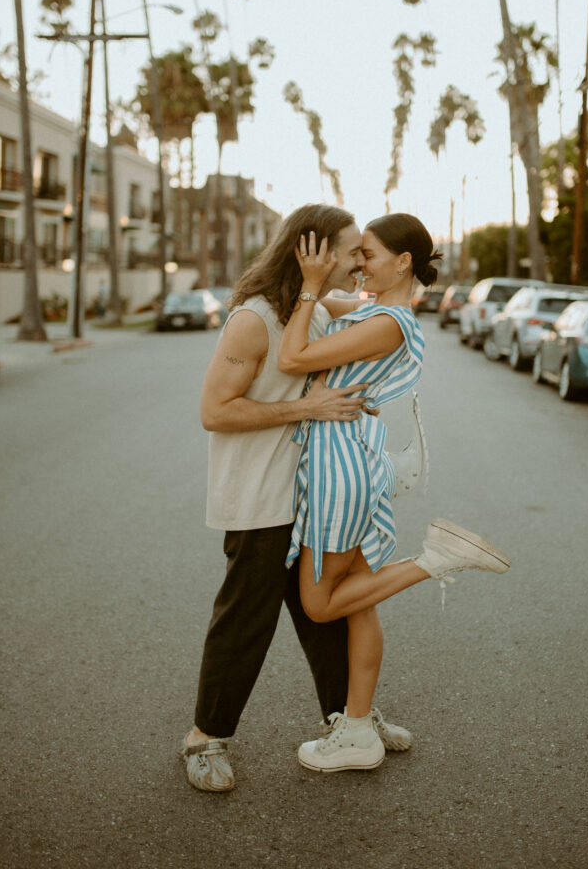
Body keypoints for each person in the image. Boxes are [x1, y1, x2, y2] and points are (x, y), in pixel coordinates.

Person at [182, 204, 412, 793]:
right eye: (351, 250)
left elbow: (373, 318)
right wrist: (308, 407)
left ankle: (348, 720)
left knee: (325, 613)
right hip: (259, 495)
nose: (359, 260)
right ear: (313, 252)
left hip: (314, 493)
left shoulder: (317, 308)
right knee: (246, 619)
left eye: (365, 251)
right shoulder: (253, 320)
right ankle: (205, 739)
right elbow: (214, 411)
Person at [277, 214, 511, 773]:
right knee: (361, 604)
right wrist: (313, 283)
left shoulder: (389, 322)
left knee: (319, 603)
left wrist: (311, 288)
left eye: (370, 255)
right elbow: (323, 310)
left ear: (403, 262)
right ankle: (358, 727)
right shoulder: (377, 311)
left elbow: (291, 357)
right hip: (351, 460)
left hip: (340, 469)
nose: (359, 264)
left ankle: (436, 560)